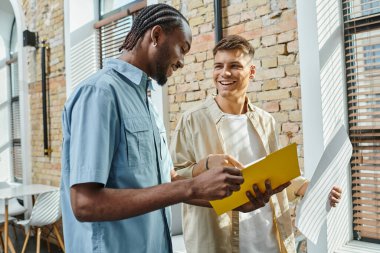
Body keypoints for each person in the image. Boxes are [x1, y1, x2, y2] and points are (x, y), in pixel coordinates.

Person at [60, 4, 248, 253]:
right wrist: (190, 186)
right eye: (182, 48)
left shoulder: (147, 104)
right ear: (157, 35)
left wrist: (236, 199)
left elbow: (166, 180)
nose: (182, 61)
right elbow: (85, 204)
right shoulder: (99, 94)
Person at [170, 35, 342, 253]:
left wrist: (311, 189)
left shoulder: (265, 120)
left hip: (270, 241)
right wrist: (205, 164)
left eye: (234, 66)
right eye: (218, 66)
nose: (225, 73)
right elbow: (175, 180)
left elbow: (275, 177)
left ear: (251, 72)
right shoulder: (192, 120)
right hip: (219, 243)